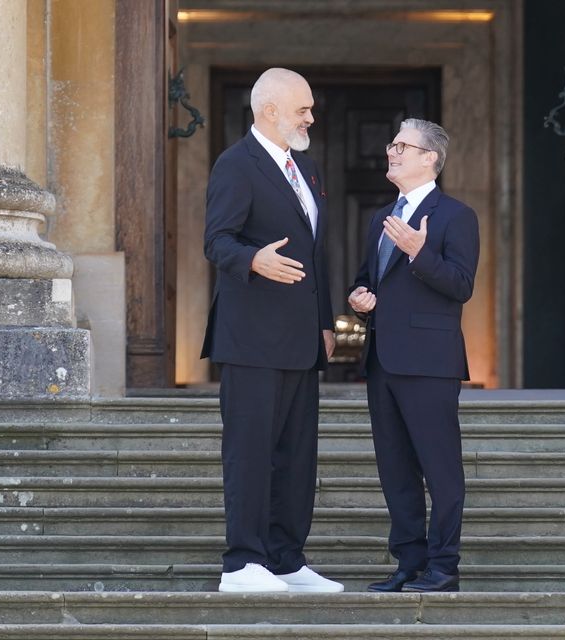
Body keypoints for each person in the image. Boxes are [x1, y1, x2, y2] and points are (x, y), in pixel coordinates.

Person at [203, 67, 342, 594]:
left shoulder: (306, 168)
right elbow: (217, 241)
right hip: (252, 337)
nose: (311, 116)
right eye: (303, 108)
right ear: (270, 111)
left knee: (296, 455)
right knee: (251, 450)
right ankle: (243, 564)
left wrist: (325, 322)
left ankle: (286, 559)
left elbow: (315, 254)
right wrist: (253, 260)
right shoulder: (236, 165)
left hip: (302, 339)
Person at [348, 119, 479, 593]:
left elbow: (461, 285)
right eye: (392, 144)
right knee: (396, 470)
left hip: (430, 361)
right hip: (382, 359)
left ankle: (444, 567)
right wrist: (360, 299)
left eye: (403, 145)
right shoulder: (379, 217)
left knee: (440, 469)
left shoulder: (456, 215)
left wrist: (420, 253)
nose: (392, 151)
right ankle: (408, 562)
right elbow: (367, 279)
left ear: (431, 158)